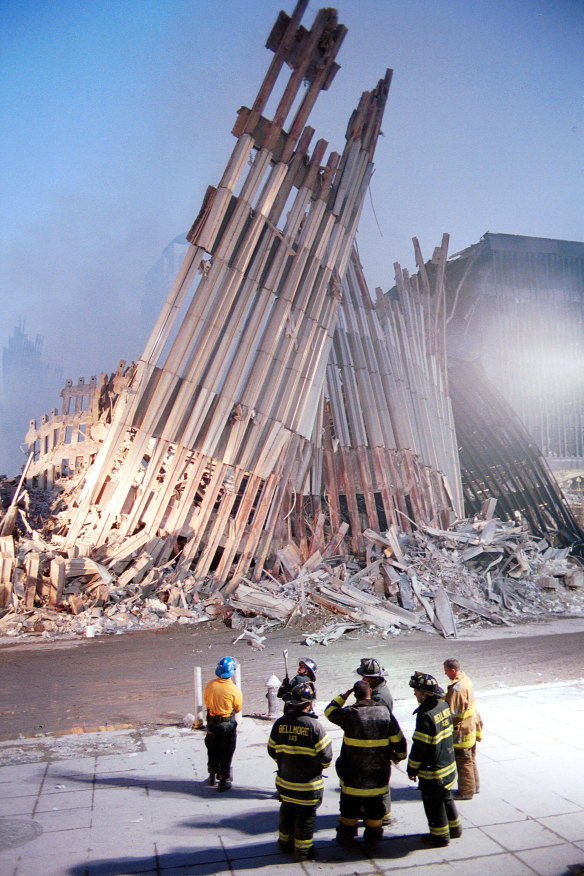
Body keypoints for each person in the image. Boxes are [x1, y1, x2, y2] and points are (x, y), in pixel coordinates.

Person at [325, 679, 407, 850]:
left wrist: (343, 696)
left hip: (353, 774)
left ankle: (346, 837)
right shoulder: (384, 713)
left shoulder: (350, 713)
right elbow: (399, 741)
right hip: (378, 774)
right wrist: (399, 756)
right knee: (375, 808)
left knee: (349, 809)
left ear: (355, 696)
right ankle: (373, 838)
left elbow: (329, 712)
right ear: (371, 692)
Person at [268, 681, 332, 862]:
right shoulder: (315, 727)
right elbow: (326, 758)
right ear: (308, 704)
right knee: (305, 817)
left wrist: (285, 763)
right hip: (308, 786)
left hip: (285, 783)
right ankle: (302, 852)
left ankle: (284, 844)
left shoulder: (279, 724)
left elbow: (272, 750)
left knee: (286, 811)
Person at [407, 671, 462, 847]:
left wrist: (412, 767)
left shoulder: (425, 716)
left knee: (433, 803)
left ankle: (440, 836)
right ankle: (455, 829)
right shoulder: (443, 706)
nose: (415, 693)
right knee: (446, 797)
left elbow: (420, 747)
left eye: (417, 690)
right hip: (448, 765)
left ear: (425, 693)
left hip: (433, 771)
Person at [355, 657, 394, 823]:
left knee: (379, 781)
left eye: (364, 677)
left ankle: (383, 815)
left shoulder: (379, 697)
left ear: (371, 678)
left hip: (378, 744)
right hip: (377, 742)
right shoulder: (379, 690)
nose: (362, 679)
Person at [443, 658, 483, 799]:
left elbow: (453, 713)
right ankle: (475, 786)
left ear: (453, 670)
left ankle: (466, 792)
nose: (445, 673)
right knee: (471, 759)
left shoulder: (457, 688)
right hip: (471, 728)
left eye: (446, 671)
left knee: (463, 763)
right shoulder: (466, 680)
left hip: (462, 733)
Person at [203, 656, 242, 792]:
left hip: (212, 722)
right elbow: (238, 708)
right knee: (227, 751)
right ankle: (224, 779)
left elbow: (207, 703)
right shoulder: (234, 690)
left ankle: (212, 774)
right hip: (227, 724)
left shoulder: (210, 685)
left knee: (212, 748)